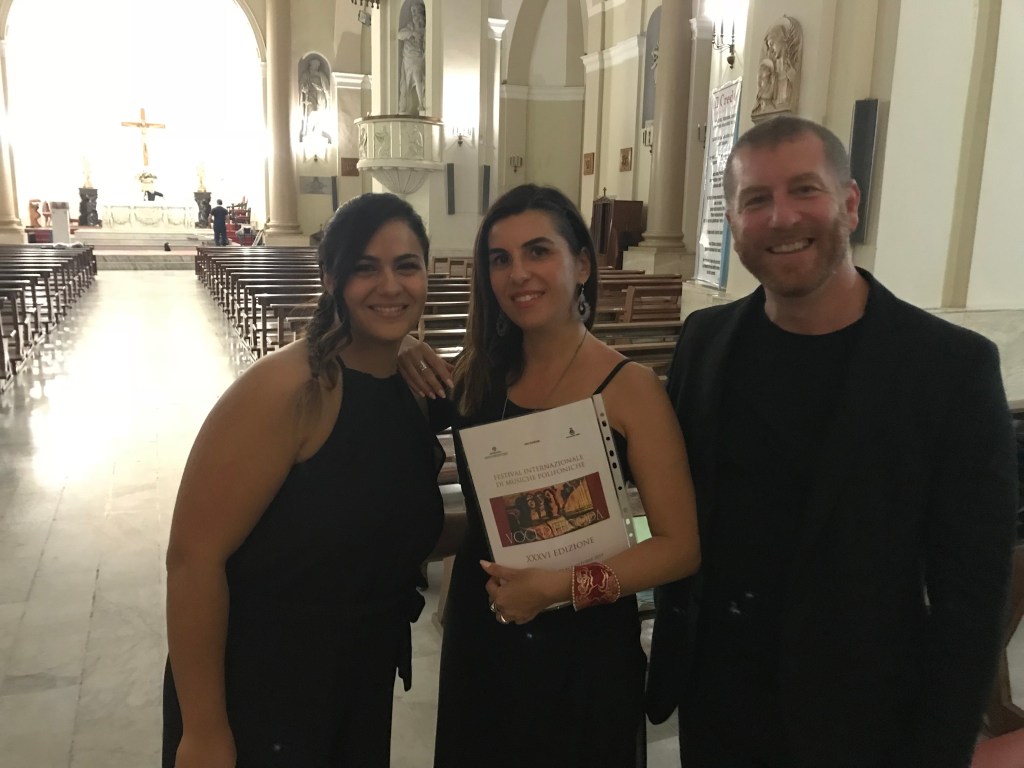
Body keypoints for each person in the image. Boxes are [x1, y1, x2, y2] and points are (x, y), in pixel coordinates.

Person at [645, 115, 1019, 767]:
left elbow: (973, 595)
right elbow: (668, 492)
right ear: (732, 221)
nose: (781, 217)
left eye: (804, 190)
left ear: (849, 202)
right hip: (717, 703)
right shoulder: (705, 341)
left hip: (861, 717)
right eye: (755, 200)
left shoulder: (950, 369)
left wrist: (939, 750)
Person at [400, 183, 701, 767]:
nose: (518, 274)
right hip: (485, 630)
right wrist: (396, 349)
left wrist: (559, 588)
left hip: (585, 646)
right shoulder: (475, 376)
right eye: (500, 258)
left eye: (538, 251)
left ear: (582, 264)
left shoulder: (631, 389)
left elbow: (680, 547)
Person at [162, 192, 444, 768]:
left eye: (406, 266)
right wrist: (204, 730)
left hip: (358, 675)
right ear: (329, 278)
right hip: (264, 683)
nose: (390, 285)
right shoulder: (286, 390)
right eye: (365, 268)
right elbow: (193, 561)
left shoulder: (408, 388)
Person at [397, 0, 426, 114]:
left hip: (418, 58)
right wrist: (412, 33)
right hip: (408, 58)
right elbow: (399, 35)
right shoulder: (409, 27)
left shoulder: (424, 29)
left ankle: (421, 104)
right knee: (406, 85)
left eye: (416, 12)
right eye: (413, 13)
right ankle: (406, 108)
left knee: (417, 76)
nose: (415, 16)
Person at [300, 57, 331, 143]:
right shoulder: (306, 75)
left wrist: (328, 99)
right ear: (311, 65)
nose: (316, 67)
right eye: (315, 65)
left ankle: (318, 131)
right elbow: (301, 85)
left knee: (320, 113)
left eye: (317, 65)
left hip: (320, 95)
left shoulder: (321, 75)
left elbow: (326, 88)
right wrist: (304, 88)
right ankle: (309, 131)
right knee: (311, 113)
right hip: (310, 95)